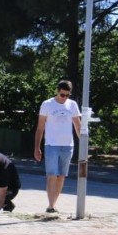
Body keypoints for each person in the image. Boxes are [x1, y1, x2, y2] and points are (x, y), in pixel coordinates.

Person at [33, 80, 81, 213]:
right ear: (57, 91)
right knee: (52, 175)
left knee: (61, 176)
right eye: (62, 94)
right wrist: (37, 147)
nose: (64, 97)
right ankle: (50, 205)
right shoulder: (47, 104)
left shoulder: (72, 105)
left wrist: (83, 142)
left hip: (67, 145)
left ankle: (54, 203)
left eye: (67, 95)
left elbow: (77, 125)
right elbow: (40, 127)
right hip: (51, 145)